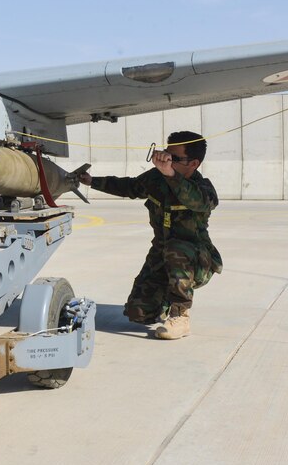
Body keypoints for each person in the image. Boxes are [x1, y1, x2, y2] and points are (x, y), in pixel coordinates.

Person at [79, 131, 221, 339]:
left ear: (194, 164)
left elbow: (196, 200)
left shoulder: (203, 188)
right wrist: (92, 181)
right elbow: (129, 186)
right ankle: (165, 299)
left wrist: (171, 174)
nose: (167, 160)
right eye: (167, 154)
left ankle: (180, 315)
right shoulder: (157, 179)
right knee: (138, 313)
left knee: (176, 248)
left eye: (175, 158)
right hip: (162, 256)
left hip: (196, 260)